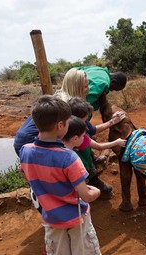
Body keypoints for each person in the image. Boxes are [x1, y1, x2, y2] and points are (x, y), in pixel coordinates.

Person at [19, 95, 101, 255]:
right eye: (68, 121)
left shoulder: (26, 151)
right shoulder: (69, 158)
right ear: (61, 125)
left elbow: (26, 175)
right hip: (77, 219)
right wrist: (96, 191)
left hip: (51, 219)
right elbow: (86, 196)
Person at [54, 67, 127, 198]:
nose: (88, 89)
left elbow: (92, 134)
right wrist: (112, 124)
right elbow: (91, 133)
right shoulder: (69, 110)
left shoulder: (98, 70)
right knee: (82, 147)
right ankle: (92, 179)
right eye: (85, 86)